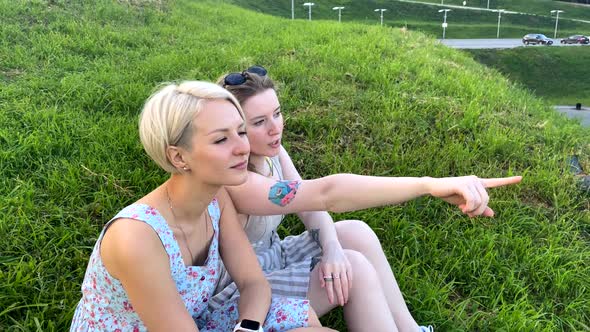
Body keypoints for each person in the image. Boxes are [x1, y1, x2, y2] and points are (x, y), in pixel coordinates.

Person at [213, 66, 522, 332]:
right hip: (240, 290)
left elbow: (312, 206)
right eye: (259, 122)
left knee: (355, 233)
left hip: (272, 256)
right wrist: (428, 184)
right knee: (356, 268)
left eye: (277, 114)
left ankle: (412, 329)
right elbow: (326, 193)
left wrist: (332, 248)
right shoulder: (236, 179)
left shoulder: (273, 153)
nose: (275, 128)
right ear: (234, 128)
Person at [70, 81, 333, 332]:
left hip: (195, 320)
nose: (243, 147)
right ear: (178, 156)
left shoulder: (216, 199)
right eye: (221, 140)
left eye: (241, 131)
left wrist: (249, 326)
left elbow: (254, 283)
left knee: (310, 320)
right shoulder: (136, 237)